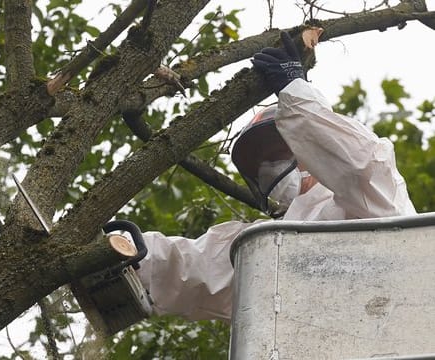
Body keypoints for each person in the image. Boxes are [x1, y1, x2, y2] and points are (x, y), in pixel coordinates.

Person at [136, 32, 416, 322]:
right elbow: (196, 267)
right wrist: (130, 252)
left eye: (276, 152)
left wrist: (297, 92)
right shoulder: (271, 242)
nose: (267, 166)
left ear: (307, 146)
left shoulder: (371, 199)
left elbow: (361, 163)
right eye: (260, 162)